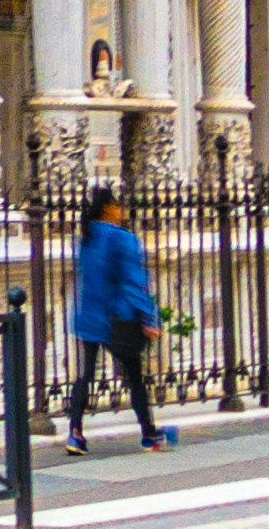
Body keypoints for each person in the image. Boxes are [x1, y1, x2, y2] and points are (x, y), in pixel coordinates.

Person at [67, 186, 176, 454]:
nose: (122, 211)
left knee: (85, 376)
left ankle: (75, 434)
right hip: (118, 319)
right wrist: (150, 318)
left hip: (89, 316)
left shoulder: (86, 237)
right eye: (118, 205)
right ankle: (149, 434)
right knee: (135, 378)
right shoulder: (123, 239)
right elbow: (133, 282)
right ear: (108, 208)